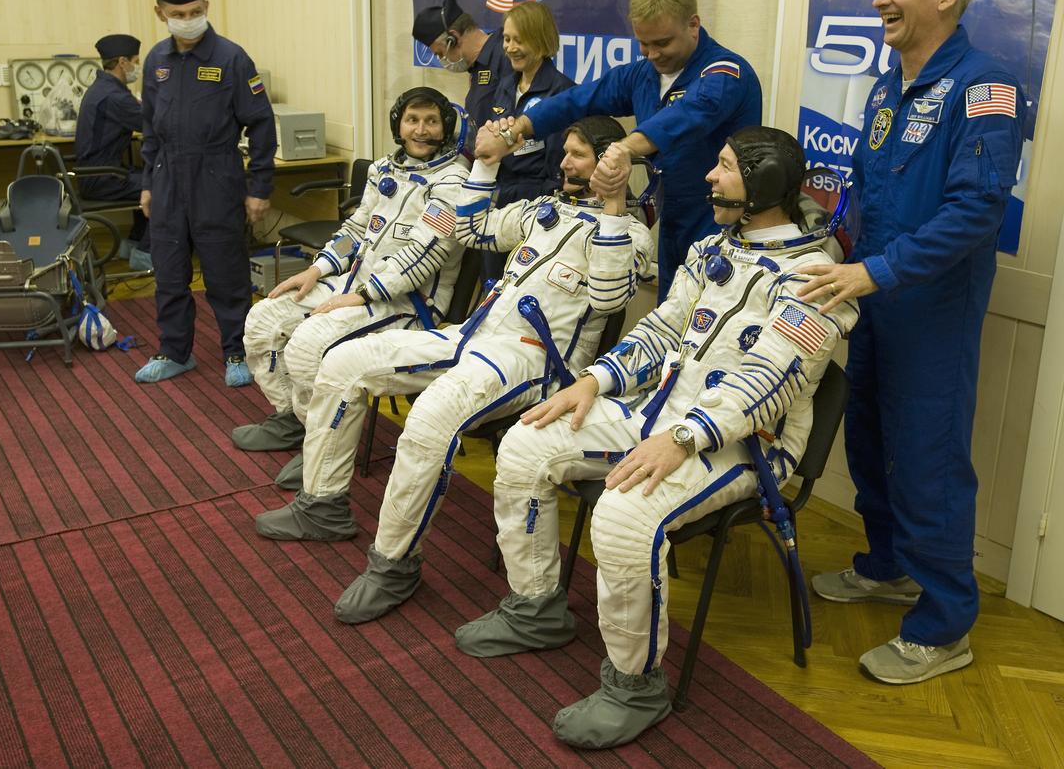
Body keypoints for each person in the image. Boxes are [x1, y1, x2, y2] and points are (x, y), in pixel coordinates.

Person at [456, 127, 859, 748]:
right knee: (525, 443)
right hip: (661, 412)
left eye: (724, 168)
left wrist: (684, 437)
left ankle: (635, 685)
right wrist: (596, 380)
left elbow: (773, 381)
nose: (709, 178)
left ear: (765, 186)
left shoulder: (816, 277)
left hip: (748, 444)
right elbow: (664, 331)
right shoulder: (710, 250)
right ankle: (535, 608)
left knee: (623, 514)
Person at [253, 115, 655, 625]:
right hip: (473, 336)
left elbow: (609, 297)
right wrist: (486, 165)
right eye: (566, 151)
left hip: (537, 359)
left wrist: (616, 208)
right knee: (343, 362)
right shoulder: (543, 210)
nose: (564, 162)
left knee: (428, 417)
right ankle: (322, 505)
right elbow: (470, 228)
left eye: (577, 154)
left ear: (608, 164)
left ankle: (392, 565)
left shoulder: (631, 235)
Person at [799, 0, 1024, 685]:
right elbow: (866, 186)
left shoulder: (986, 87)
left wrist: (879, 270)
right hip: (872, 301)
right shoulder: (886, 85)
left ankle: (943, 624)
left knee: (928, 463)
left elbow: (977, 212)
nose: (878, 0)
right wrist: (835, 245)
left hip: (930, 313)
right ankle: (886, 564)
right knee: (868, 438)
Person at [234, 87, 469, 485]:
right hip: (353, 285)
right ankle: (295, 419)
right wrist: (318, 268)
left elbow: (424, 256)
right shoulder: (384, 170)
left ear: (446, 127)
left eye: (432, 121)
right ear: (398, 123)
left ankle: (322, 449)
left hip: (407, 304)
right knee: (264, 320)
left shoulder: (453, 182)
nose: (421, 130)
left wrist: (359, 296)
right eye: (413, 119)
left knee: (308, 347)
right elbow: (358, 229)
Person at [479, 0, 761, 301]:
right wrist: (517, 129)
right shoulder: (643, 75)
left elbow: (686, 115)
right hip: (673, 214)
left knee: (712, 321)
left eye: (663, 43)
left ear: (693, 25)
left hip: (723, 220)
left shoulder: (725, 72)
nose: (653, 54)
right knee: (671, 314)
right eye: (644, 43)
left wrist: (624, 149)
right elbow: (578, 99)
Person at [134, 0, 277, 386]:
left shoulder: (231, 58)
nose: (187, 19)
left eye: (194, 10)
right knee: (169, 270)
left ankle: (237, 352)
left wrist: (260, 186)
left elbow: (262, 123)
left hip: (216, 175)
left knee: (225, 270)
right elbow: (148, 128)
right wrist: (147, 183)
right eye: (177, 13)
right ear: (160, 13)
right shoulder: (155, 61)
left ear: (207, 7)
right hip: (166, 178)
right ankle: (175, 351)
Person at [478, 2, 575, 284]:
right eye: (507, 39)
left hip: (536, 201)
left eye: (519, 40)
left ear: (542, 40)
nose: (509, 47)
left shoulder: (561, 91)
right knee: (492, 284)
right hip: (498, 198)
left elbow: (559, 162)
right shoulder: (506, 85)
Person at [75, 33, 150, 271]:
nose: (137, 67)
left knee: (145, 177)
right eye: (136, 61)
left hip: (94, 174)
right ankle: (147, 253)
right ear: (122, 62)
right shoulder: (115, 96)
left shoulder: (102, 88)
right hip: (103, 178)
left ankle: (135, 242)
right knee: (165, 186)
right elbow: (151, 124)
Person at [412, 0, 511, 155]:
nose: (442, 60)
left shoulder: (505, 56)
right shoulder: (477, 68)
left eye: (440, 53)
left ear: (454, 38)